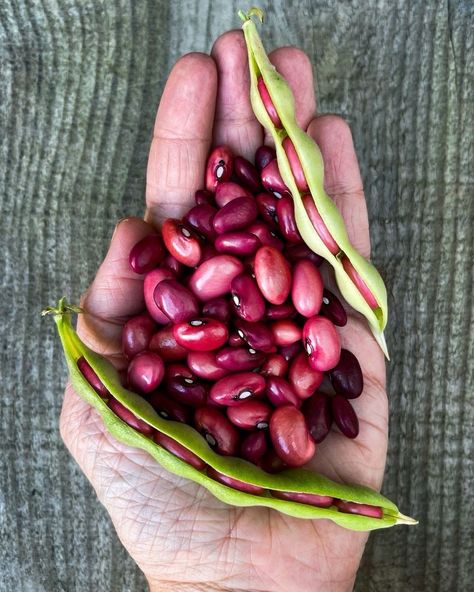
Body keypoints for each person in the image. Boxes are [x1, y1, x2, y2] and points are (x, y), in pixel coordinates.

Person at [60, 30, 388, 592]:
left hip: (248, 342)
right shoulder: (227, 341)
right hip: (234, 355)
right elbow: (225, 380)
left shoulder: (269, 344)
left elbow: (243, 362)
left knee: (280, 272)